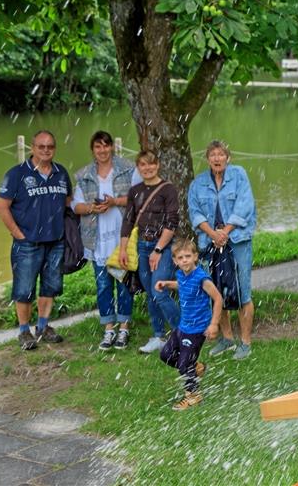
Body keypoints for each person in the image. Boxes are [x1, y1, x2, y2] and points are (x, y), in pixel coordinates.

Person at [0, 130, 73, 350]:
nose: (46, 150)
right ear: (32, 148)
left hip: (55, 241)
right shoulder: (16, 174)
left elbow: (68, 201)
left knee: (50, 286)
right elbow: (2, 207)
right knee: (24, 289)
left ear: (54, 149)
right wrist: (18, 233)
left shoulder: (61, 173)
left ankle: (43, 326)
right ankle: (23, 331)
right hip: (27, 243)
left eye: (50, 147)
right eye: (41, 146)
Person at [188, 140, 257, 360]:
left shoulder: (239, 175)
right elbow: (195, 212)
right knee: (217, 290)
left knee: (241, 290)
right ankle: (226, 338)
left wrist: (225, 232)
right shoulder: (198, 184)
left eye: (221, 154)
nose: (217, 159)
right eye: (213, 155)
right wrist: (213, 234)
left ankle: (245, 342)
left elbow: (245, 206)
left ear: (228, 157)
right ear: (207, 159)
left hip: (237, 241)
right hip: (211, 243)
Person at [72, 131, 139, 350]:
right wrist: (93, 207)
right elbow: (76, 206)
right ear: (93, 150)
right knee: (103, 285)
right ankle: (108, 328)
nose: (102, 151)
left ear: (112, 147)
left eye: (106, 146)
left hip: (122, 234)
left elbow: (139, 197)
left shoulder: (128, 168)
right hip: (97, 237)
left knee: (123, 282)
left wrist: (114, 202)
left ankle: (124, 327)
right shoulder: (84, 174)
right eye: (98, 147)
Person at [119, 149, 181, 353]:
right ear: (138, 167)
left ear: (158, 165)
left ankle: (184, 332)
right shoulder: (135, 190)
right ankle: (158, 336)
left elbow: (172, 223)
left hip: (162, 247)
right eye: (143, 164)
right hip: (141, 247)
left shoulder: (168, 189)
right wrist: (123, 250)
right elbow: (128, 222)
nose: (147, 168)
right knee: (150, 294)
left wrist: (158, 249)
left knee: (159, 289)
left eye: (151, 164)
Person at [154, 237, 223, 411]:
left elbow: (218, 298)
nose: (184, 260)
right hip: (183, 326)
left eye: (188, 256)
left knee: (184, 364)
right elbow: (183, 285)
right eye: (180, 257)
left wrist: (214, 324)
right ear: (175, 261)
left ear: (195, 257)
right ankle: (196, 368)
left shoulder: (202, 279)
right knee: (166, 355)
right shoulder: (181, 275)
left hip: (197, 329)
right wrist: (168, 284)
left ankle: (193, 396)